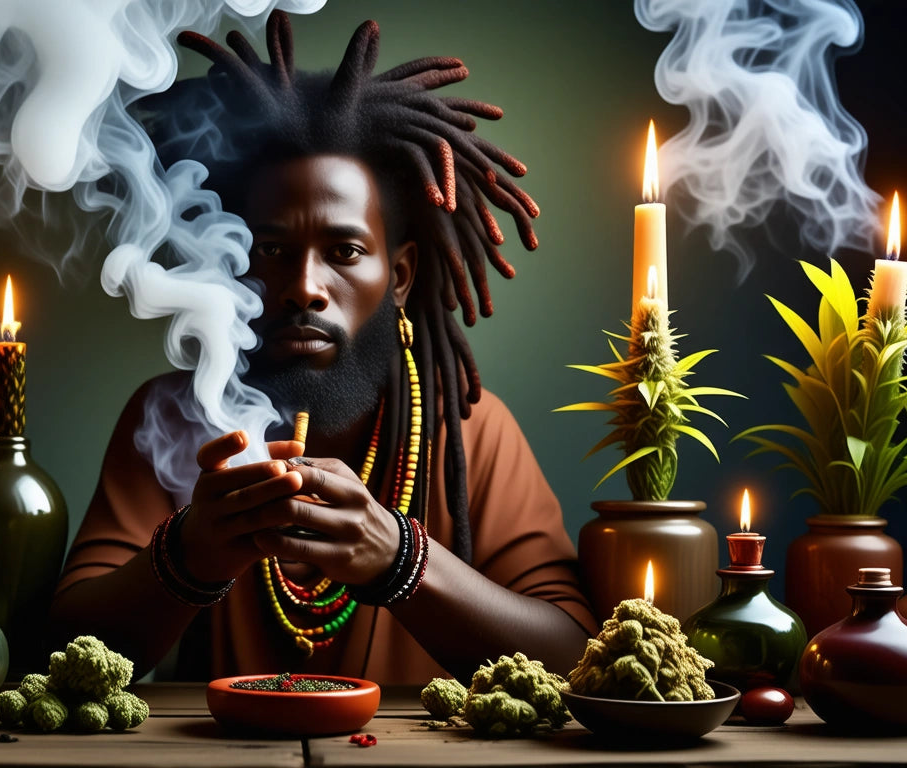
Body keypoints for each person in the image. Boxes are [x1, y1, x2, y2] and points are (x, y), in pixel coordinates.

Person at [50, 11, 596, 685]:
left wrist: (400, 560)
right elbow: (61, 653)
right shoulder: (171, 419)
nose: (304, 288)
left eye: (344, 252)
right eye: (271, 250)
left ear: (398, 276)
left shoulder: (472, 431)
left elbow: (575, 658)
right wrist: (188, 557)